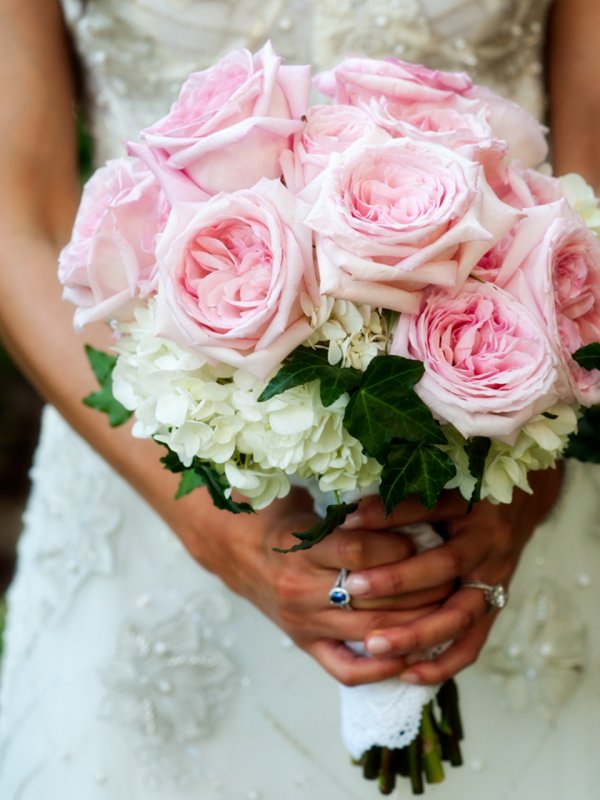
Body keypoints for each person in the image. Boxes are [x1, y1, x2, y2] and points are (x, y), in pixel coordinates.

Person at [0, 1, 598, 798]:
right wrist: (209, 525)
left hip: (513, 451)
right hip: (145, 471)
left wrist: (531, 479)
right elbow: (18, 216)